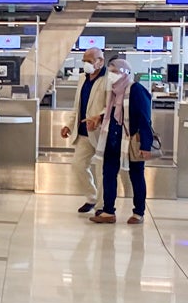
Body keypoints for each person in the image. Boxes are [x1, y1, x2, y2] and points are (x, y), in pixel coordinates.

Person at [91, 57, 156, 226]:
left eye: (114, 72)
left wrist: (146, 145)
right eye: (110, 72)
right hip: (112, 141)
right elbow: (110, 113)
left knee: (136, 176)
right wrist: (99, 117)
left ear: (125, 72)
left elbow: (145, 119)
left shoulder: (136, 90)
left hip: (131, 141)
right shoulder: (112, 92)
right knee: (108, 175)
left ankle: (139, 212)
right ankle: (108, 211)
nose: (111, 75)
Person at [60, 47, 108, 214]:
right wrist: (69, 124)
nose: (86, 64)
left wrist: (99, 117)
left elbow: (111, 105)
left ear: (100, 61)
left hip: (102, 132)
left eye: (90, 60)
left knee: (103, 171)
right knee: (78, 165)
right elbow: (77, 106)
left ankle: (103, 206)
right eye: (84, 60)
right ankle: (92, 197)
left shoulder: (109, 79)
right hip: (83, 132)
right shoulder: (83, 79)